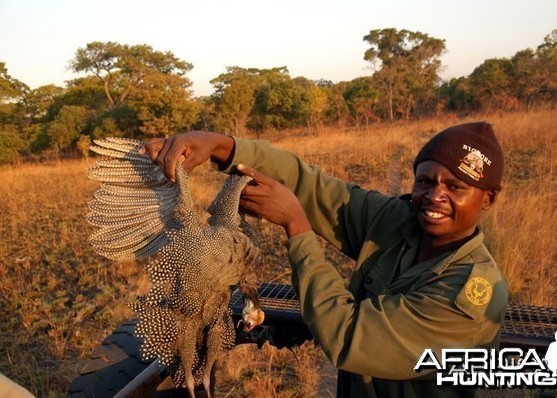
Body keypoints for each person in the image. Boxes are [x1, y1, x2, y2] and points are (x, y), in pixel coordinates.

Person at [143, 121, 509, 397]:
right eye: (425, 182)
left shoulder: (472, 294)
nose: (435, 197)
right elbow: (315, 188)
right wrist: (223, 146)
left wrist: (296, 226)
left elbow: (348, 336)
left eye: (456, 187)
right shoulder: (401, 222)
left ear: (488, 199)